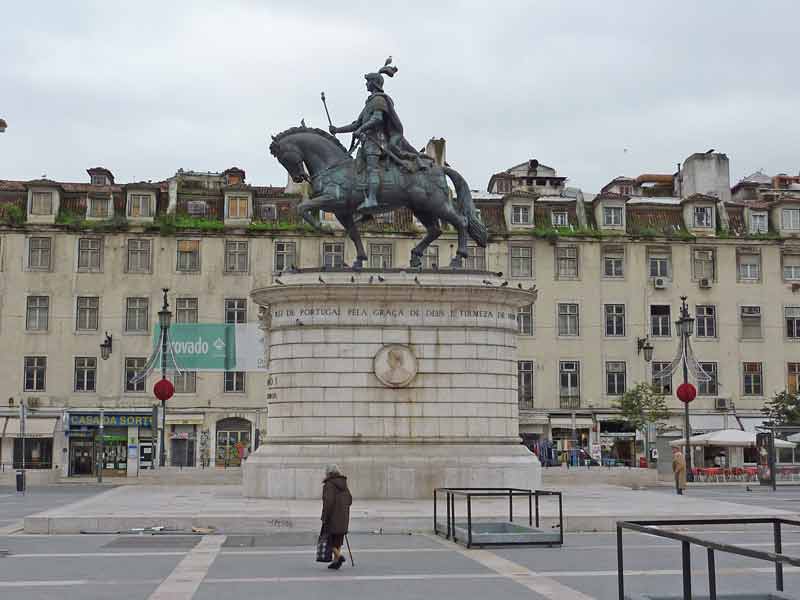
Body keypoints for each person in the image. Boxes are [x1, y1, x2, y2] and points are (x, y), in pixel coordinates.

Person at [329, 57, 430, 214]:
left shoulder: (378, 100)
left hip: (377, 142)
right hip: (368, 141)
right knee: (358, 170)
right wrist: (337, 130)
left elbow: (377, 119)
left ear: (374, 83)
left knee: (371, 169)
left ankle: (372, 199)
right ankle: (364, 205)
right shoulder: (369, 101)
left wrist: (362, 129)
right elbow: (356, 124)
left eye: (368, 81)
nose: (365, 84)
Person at [321, 464, 352, 570]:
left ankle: (338, 556)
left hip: (332, 517)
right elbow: (350, 500)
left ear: (328, 473)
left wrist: (324, 516)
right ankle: (336, 561)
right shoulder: (344, 484)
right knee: (338, 539)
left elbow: (328, 502)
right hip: (343, 517)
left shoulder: (329, 484)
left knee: (328, 539)